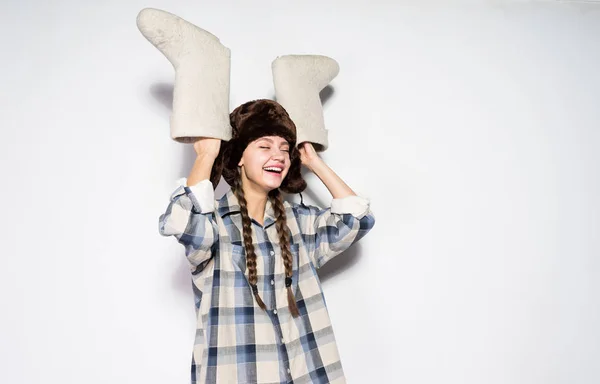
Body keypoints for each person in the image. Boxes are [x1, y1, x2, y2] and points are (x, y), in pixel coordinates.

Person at [159, 99, 375, 384]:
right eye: (265, 146)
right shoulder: (213, 222)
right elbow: (181, 220)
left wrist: (312, 161)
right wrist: (207, 155)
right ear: (239, 156)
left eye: (284, 149)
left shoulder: (299, 222)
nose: (279, 156)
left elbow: (357, 220)